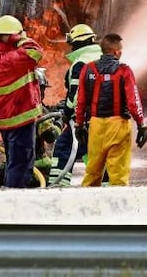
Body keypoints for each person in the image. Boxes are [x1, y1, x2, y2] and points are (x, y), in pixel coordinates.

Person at [0, 15, 44, 188]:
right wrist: (21, 38)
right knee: (21, 163)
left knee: (13, 160)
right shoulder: (10, 60)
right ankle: (15, 196)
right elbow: (36, 51)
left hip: (4, 118)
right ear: (11, 37)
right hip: (19, 117)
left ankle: (11, 190)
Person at [75, 33, 147, 186]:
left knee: (92, 172)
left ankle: (86, 205)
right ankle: (118, 208)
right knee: (118, 175)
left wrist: (79, 125)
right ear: (115, 52)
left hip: (95, 126)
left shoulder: (88, 69)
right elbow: (133, 101)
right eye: (120, 50)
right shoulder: (124, 71)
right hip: (118, 125)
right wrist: (141, 125)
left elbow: (81, 100)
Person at [49, 23, 103, 186]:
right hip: (106, 118)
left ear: (77, 43)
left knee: (63, 147)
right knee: (95, 152)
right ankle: (104, 187)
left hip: (84, 118)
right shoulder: (105, 58)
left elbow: (76, 94)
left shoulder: (81, 63)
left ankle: (58, 186)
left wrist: (66, 112)